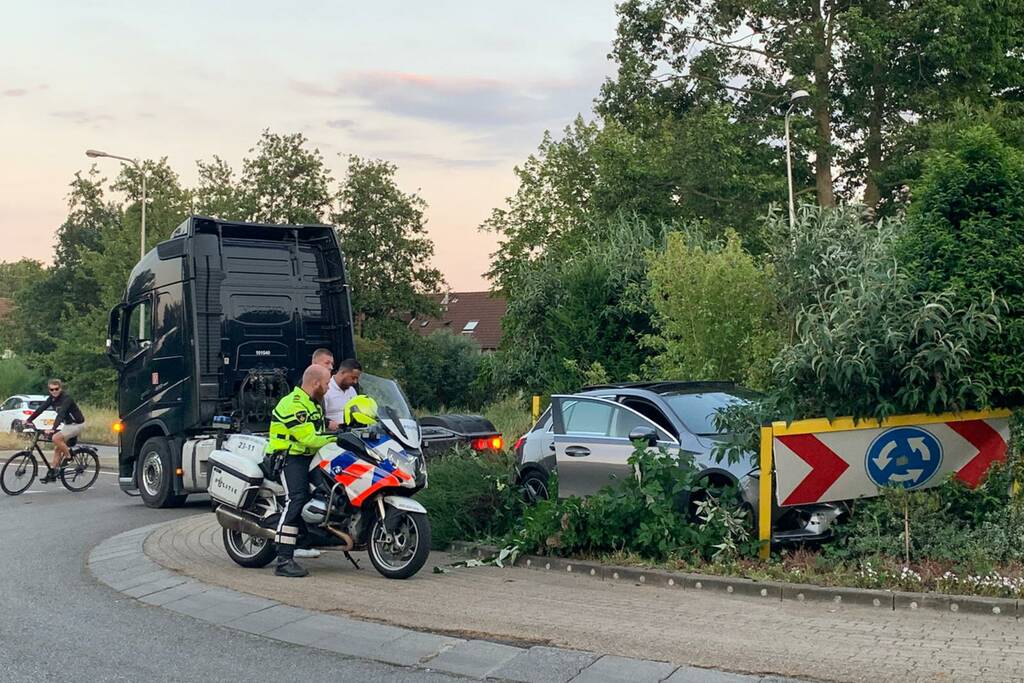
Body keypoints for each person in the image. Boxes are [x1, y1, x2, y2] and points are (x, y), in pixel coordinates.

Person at [267, 364, 334, 578]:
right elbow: (309, 439)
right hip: (289, 458)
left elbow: (320, 432)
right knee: (296, 498)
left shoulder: (312, 404)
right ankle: (284, 560)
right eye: (326, 384)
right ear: (315, 383)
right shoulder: (294, 404)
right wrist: (339, 438)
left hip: (308, 457)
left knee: (330, 488)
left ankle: (309, 537)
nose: (328, 388)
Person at [26, 379, 86, 484]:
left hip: (77, 424)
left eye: (56, 389)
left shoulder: (67, 398)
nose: (54, 391)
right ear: (49, 390)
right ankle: (52, 473)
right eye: (51, 389)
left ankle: (69, 457)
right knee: (57, 449)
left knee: (55, 438)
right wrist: (29, 420)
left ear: (60, 388)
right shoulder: (52, 399)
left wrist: (53, 428)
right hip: (68, 425)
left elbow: (61, 414)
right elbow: (40, 409)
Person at [324, 358, 362, 430]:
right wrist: (328, 423)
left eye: (357, 379)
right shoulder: (326, 388)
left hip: (352, 431)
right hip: (333, 432)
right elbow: (319, 417)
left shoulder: (352, 390)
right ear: (342, 372)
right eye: (353, 378)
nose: (355, 382)